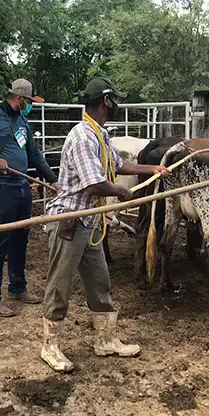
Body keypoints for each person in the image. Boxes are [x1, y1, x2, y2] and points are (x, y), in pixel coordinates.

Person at [41, 77, 170, 372]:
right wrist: (123, 191)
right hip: (69, 223)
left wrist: (152, 168)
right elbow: (94, 184)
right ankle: (50, 346)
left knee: (100, 284)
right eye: (115, 100)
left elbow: (118, 166)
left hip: (90, 224)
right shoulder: (82, 136)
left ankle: (105, 340)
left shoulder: (100, 134)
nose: (116, 105)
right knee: (59, 286)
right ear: (106, 101)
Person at [0, 78, 59, 317]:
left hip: (22, 185)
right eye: (30, 102)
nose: (32, 106)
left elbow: (34, 155)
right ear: (20, 99)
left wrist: (53, 180)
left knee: (21, 239)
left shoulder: (22, 121)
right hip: (0, 186)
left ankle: (18, 287)